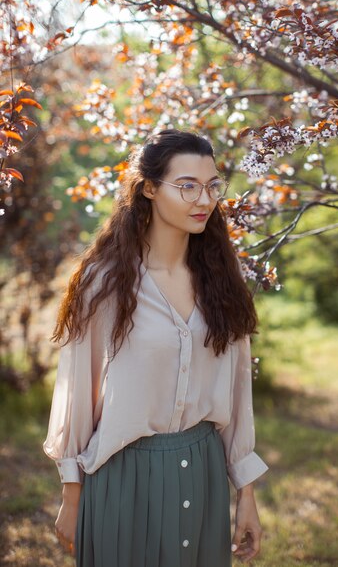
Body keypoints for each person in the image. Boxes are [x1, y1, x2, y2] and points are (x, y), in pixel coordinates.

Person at [44, 129, 269, 567]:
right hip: (122, 475)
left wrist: (246, 493)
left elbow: (238, 394)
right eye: (186, 186)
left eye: (211, 185)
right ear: (148, 188)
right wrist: (71, 497)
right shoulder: (105, 282)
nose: (203, 199)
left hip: (203, 470)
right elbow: (76, 395)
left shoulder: (222, 279)